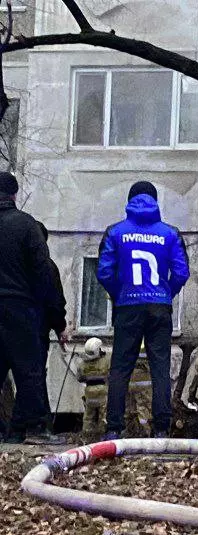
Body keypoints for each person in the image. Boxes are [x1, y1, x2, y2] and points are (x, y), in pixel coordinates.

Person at [97, 181, 190, 440]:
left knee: (120, 367)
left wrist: (121, 294)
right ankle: (161, 428)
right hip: (159, 307)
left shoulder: (115, 232)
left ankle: (114, 428)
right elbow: (182, 272)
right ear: (155, 200)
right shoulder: (170, 233)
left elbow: (104, 271)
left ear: (129, 200)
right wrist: (165, 294)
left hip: (128, 306)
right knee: (160, 367)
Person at [0, 172, 65, 444]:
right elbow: (43, 272)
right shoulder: (26, 225)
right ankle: (17, 432)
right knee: (29, 373)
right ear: (14, 194)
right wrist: (41, 309)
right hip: (18, 307)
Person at [37, 221, 68, 420]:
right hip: (36, 330)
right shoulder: (46, 266)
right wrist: (60, 328)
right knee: (34, 377)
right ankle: (37, 424)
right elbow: (55, 301)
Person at [77, 338, 109, 439]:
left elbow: (80, 378)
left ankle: (87, 436)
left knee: (89, 416)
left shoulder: (83, 364)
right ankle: (101, 436)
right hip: (103, 391)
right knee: (103, 414)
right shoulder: (106, 361)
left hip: (89, 392)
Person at [126, 342, 152, 437]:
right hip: (143, 379)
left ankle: (131, 433)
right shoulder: (147, 340)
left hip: (130, 378)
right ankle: (145, 434)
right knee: (144, 408)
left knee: (131, 409)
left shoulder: (130, 337)